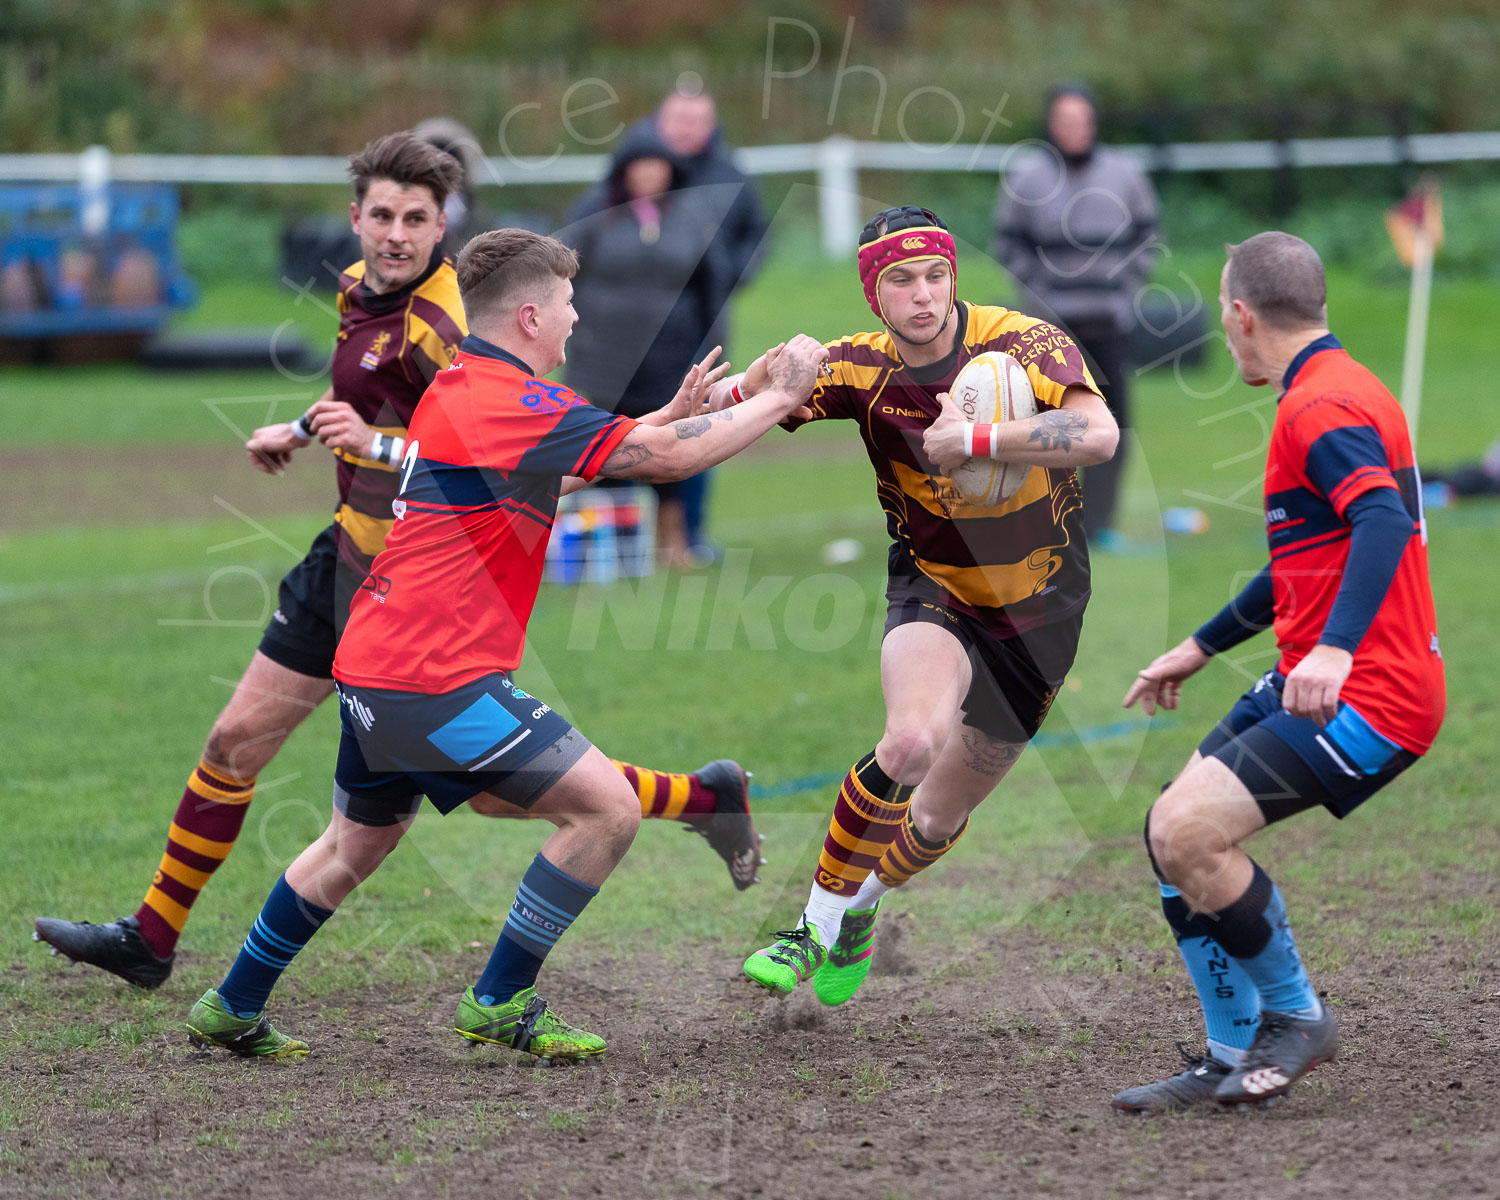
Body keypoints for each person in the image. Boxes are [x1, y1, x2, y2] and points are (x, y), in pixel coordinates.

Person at [33, 133, 761, 994]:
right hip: (345, 555)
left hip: (422, 586)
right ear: (356, 219)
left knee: (498, 790)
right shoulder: (359, 292)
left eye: (417, 220)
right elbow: (365, 394)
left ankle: (700, 800)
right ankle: (151, 937)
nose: (396, 235)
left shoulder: (456, 326)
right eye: (382, 215)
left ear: (443, 226)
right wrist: (304, 429)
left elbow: (472, 451)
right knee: (233, 744)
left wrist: (366, 440)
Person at [181, 228, 829, 1060]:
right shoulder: (512, 401)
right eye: (566, 304)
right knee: (605, 812)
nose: (575, 319)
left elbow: (551, 468)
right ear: (529, 314)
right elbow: (663, 464)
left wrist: (665, 417)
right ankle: (499, 998)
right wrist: (778, 399)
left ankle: (231, 1004)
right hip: (434, 682)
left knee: (354, 843)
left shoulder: (463, 387)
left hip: (375, 667)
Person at [721, 206, 1118, 1001]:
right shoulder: (860, 367)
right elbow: (749, 404)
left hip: (1041, 617)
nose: (924, 296)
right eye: (901, 281)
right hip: (934, 585)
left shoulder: (1025, 343)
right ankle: (810, 929)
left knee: (933, 821)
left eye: (936, 275)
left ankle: (863, 903)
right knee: (908, 742)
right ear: (876, 294)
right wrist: (737, 385)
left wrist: (974, 440)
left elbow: (1098, 436)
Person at [1110, 232, 1444, 1112]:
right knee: (1167, 836)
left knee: (1189, 833)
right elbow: (1306, 560)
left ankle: (1296, 1017)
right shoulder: (1342, 387)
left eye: (1225, 312)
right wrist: (1203, 644)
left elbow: (1379, 520)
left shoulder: (1318, 409)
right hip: (1326, 671)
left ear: (1243, 315)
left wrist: (1334, 648)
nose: (1225, 328)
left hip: (1372, 694)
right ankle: (1229, 1051)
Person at [994, 84, 1158, 553]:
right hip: (1050, 330)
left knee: (1112, 424)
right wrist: (1039, 294)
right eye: (1065, 119)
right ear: (1051, 124)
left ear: (1094, 123)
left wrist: (1124, 284)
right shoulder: (1026, 180)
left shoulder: (1124, 174)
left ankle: (1099, 524)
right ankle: (1046, 525)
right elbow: (1007, 244)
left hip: (1109, 323)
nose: (1074, 128)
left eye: (1081, 119)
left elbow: (1147, 235)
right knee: (1045, 426)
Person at [561, 125, 726, 567]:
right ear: (623, 171)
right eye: (641, 166)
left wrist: (714, 346)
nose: (650, 174)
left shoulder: (691, 217)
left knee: (676, 443)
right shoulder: (594, 215)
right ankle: (617, 551)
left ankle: (677, 542)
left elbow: (713, 287)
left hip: (673, 359)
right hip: (603, 362)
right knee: (607, 448)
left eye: (658, 166)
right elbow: (559, 277)